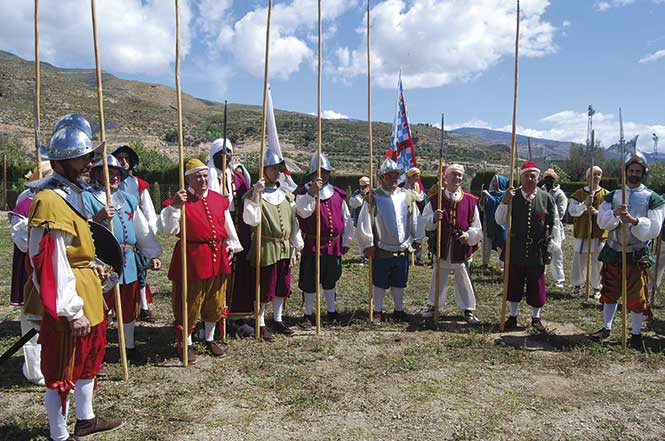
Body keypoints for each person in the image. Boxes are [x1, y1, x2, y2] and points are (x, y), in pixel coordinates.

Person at [24, 117, 122, 440]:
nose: (89, 164)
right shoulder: (49, 201)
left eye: (89, 157)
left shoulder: (72, 194)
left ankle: (86, 419)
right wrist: (71, 309)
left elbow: (77, 248)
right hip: (68, 300)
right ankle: (59, 434)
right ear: (62, 162)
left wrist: (94, 264)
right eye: (83, 158)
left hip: (87, 292)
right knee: (61, 369)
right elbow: (51, 264)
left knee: (87, 361)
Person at [158, 159, 243, 363]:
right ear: (188, 179)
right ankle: (186, 342)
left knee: (215, 299)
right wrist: (175, 207)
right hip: (192, 257)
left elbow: (227, 225)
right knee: (190, 301)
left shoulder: (218, 199)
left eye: (205, 176)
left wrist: (232, 245)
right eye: (198, 176)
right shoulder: (180, 201)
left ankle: (209, 337)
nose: (203, 180)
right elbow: (167, 230)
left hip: (217, 255)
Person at [82, 155, 162, 362]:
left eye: (117, 173)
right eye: (109, 172)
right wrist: (97, 218)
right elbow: (82, 229)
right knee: (101, 308)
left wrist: (152, 253)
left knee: (128, 306)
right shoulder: (86, 198)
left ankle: (129, 346)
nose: (114, 176)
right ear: (98, 174)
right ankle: (95, 352)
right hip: (103, 262)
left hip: (128, 261)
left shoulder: (128, 199)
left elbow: (141, 229)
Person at [591, 154, 665, 348]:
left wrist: (634, 221)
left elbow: (655, 228)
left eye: (637, 171)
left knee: (636, 295)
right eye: (631, 171)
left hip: (636, 253)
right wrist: (615, 213)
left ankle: (637, 334)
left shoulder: (652, 197)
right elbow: (601, 220)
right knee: (610, 290)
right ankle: (606, 327)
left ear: (643, 173)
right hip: (614, 250)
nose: (634, 174)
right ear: (626, 172)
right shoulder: (613, 195)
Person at [243, 150, 303, 341]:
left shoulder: (286, 196)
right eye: (273, 168)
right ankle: (260, 323)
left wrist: (296, 245)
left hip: (284, 247)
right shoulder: (253, 194)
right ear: (264, 170)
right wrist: (255, 194)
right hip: (265, 246)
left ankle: (277, 319)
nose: (277, 172)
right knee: (264, 286)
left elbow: (294, 222)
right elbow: (250, 220)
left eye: (279, 169)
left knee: (281, 285)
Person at [356, 157, 424, 322]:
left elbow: (415, 218)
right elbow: (364, 222)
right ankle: (378, 310)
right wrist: (368, 244)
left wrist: (418, 238)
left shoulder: (407, 196)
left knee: (399, 281)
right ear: (381, 178)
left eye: (395, 175)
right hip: (381, 247)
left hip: (403, 247)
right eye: (389, 175)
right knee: (379, 281)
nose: (393, 178)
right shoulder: (373, 198)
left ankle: (398, 310)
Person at [294, 152, 354, 328]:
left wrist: (346, 241)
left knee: (330, 278)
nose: (323, 175)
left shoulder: (337, 194)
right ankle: (307, 314)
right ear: (312, 173)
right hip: (313, 244)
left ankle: (332, 311)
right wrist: (312, 193)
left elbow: (346, 218)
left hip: (333, 244)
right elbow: (302, 212)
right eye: (320, 172)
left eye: (326, 172)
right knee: (309, 280)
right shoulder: (303, 193)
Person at [495, 161, 557, 332]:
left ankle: (536, 318)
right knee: (513, 282)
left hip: (537, 250)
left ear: (538, 179)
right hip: (515, 248)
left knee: (537, 285)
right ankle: (513, 316)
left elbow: (554, 224)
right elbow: (499, 220)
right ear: (520, 178)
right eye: (526, 176)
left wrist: (551, 248)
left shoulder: (547, 198)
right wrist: (505, 202)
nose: (530, 179)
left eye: (533, 176)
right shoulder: (511, 196)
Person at [420, 163, 482, 324]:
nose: (457, 177)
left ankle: (468, 309)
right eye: (453, 174)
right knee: (438, 277)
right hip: (442, 246)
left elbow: (477, 226)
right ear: (445, 178)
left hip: (461, 248)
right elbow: (423, 222)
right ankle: (434, 306)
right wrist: (434, 218)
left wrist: (468, 235)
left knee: (464, 278)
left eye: (460, 175)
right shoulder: (435, 200)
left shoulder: (470, 200)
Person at [9, 161, 52, 386]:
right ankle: (35, 370)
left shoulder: (62, 201)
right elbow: (23, 243)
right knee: (32, 319)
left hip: (56, 270)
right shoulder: (25, 205)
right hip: (31, 269)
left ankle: (54, 362)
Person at [206, 138, 254, 338]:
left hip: (238, 230)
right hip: (215, 232)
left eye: (229, 153)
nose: (226, 157)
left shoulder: (238, 177)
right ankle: (210, 318)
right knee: (215, 275)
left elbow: (247, 198)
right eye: (221, 154)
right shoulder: (205, 176)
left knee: (239, 274)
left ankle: (236, 317)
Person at [112, 144, 159, 323]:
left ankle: (143, 306)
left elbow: (146, 207)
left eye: (126, 159)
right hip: (116, 231)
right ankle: (114, 309)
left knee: (140, 269)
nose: (123, 162)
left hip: (135, 230)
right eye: (119, 159)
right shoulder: (104, 184)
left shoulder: (137, 183)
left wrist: (149, 230)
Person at [567, 166, 608, 298]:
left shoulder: (607, 194)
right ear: (588, 176)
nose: (596, 177)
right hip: (582, 231)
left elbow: (610, 214)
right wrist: (584, 203)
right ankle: (577, 285)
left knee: (598, 262)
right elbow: (572, 211)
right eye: (594, 174)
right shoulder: (579, 193)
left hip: (599, 233)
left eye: (599, 174)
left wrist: (597, 213)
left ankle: (597, 287)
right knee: (579, 261)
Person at [540, 168, 568, 289]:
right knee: (541, 251)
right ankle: (541, 274)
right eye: (546, 178)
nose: (548, 181)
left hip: (555, 226)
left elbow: (561, 212)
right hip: (541, 225)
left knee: (556, 252)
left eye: (551, 179)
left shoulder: (559, 194)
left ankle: (559, 279)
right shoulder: (540, 191)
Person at [480, 174, 508, 266]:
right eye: (493, 181)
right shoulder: (491, 194)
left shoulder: (505, 195)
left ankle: (502, 266)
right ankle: (484, 263)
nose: (494, 183)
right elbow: (483, 208)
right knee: (486, 244)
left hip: (500, 226)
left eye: (496, 181)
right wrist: (482, 200)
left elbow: (496, 204)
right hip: (489, 223)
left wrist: (488, 195)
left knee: (501, 245)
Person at [404, 166, 427, 265]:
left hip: (417, 214)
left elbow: (422, 199)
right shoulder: (403, 187)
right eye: (415, 176)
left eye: (418, 176)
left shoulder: (419, 187)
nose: (417, 178)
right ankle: (408, 257)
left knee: (418, 234)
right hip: (407, 213)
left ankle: (418, 257)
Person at [349, 176, 371, 265]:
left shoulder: (373, 192)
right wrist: (361, 196)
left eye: (365, 186)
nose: (363, 188)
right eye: (362, 186)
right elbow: (353, 204)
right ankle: (362, 256)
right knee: (361, 238)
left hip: (371, 219)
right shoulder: (357, 193)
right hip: (359, 219)